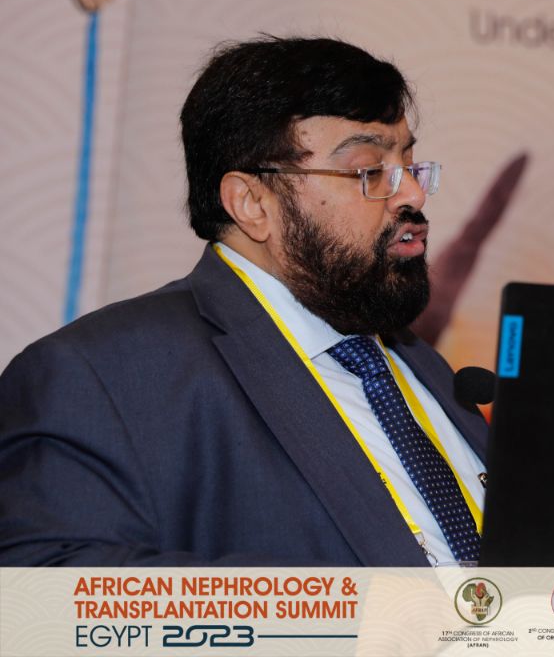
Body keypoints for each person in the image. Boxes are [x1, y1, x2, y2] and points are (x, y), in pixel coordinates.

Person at [0, 36, 487, 566]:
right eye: (370, 171)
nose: (413, 194)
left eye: (410, 164)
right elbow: (46, 589)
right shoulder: (101, 377)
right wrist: (338, 609)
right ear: (252, 202)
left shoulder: (417, 362)